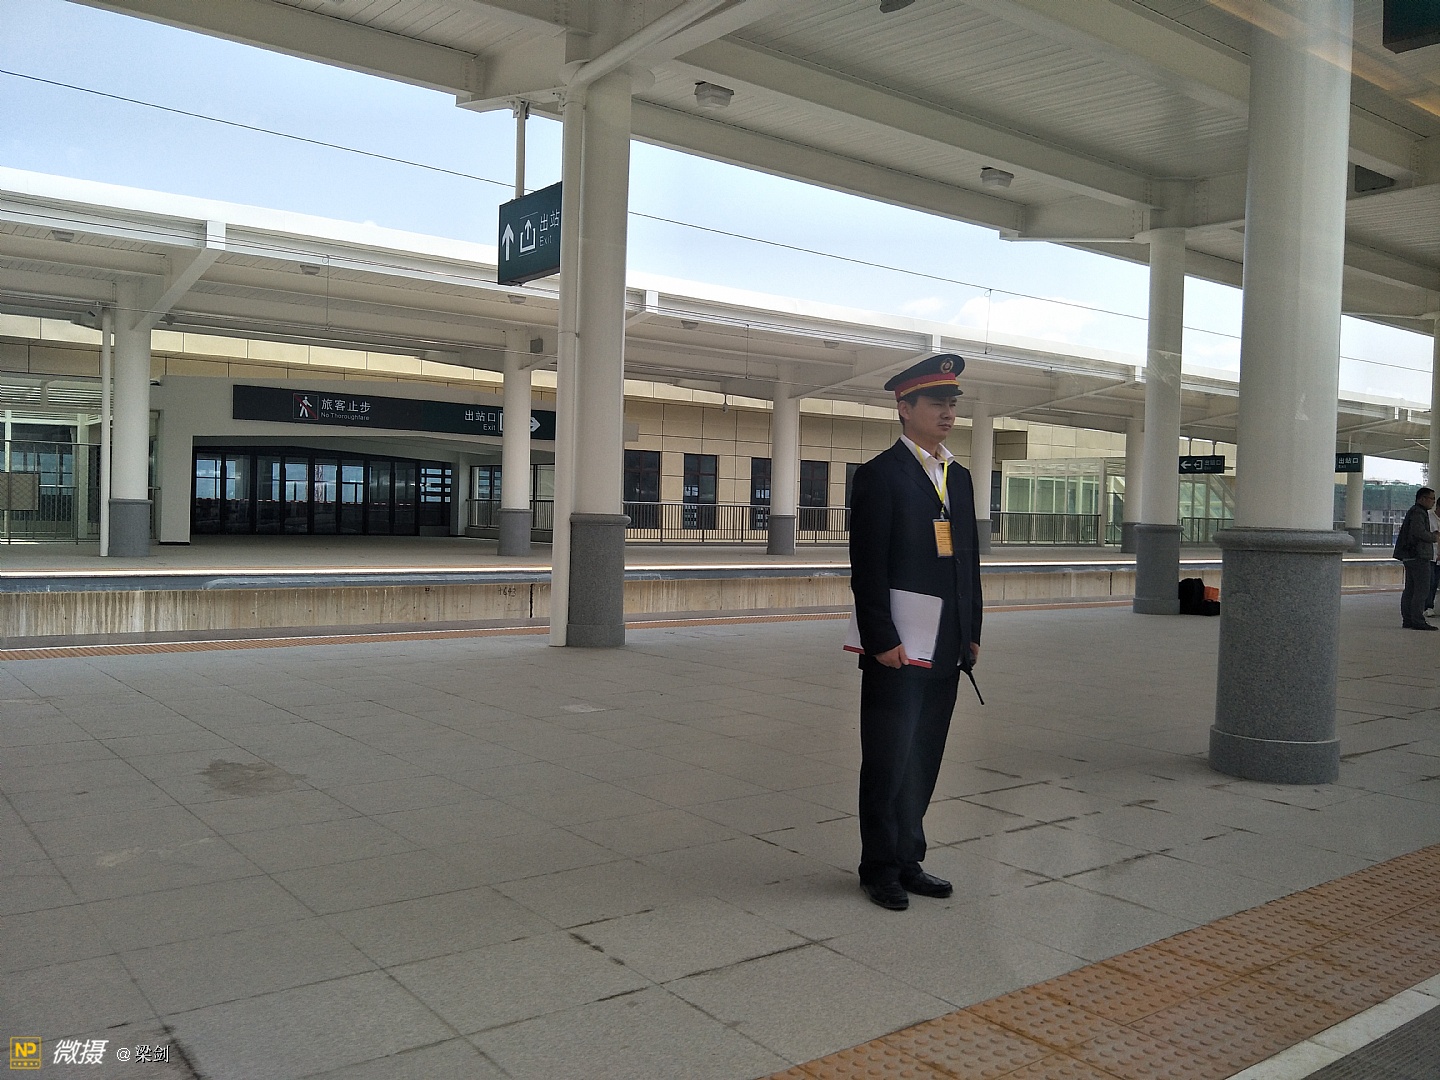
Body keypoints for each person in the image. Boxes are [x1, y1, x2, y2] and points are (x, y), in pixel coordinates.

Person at [848, 353, 984, 910]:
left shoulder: (959, 477)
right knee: (888, 758)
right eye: (936, 403)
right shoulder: (880, 475)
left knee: (924, 755)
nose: (948, 413)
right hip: (899, 647)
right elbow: (867, 566)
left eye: (952, 404)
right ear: (904, 408)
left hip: (946, 644)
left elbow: (968, 561)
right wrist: (881, 639)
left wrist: (972, 630)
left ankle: (909, 858)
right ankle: (878, 866)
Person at [1393, 486, 1438, 631]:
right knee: (1422, 590)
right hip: (1418, 555)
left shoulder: (1414, 511)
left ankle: (1408, 619)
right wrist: (1434, 537)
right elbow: (1418, 532)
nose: (1433, 502)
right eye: (1431, 498)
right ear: (1422, 498)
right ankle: (1418, 620)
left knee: (1410, 589)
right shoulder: (1419, 512)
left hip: (1410, 556)